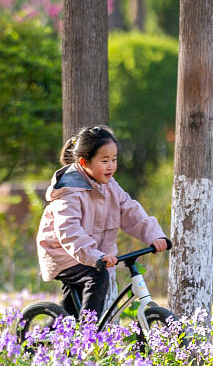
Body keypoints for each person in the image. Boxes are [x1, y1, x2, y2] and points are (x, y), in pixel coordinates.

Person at [36, 125, 169, 322]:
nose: (111, 166)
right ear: (84, 162)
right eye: (104, 161)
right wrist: (95, 256)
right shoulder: (69, 193)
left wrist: (155, 236)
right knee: (97, 276)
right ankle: (89, 332)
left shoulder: (110, 186)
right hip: (63, 254)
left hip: (93, 255)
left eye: (114, 159)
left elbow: (130, 211)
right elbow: (69, 233)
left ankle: (48, 336)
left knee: (70, 312)